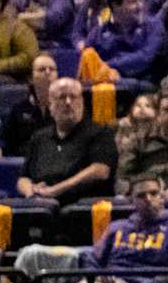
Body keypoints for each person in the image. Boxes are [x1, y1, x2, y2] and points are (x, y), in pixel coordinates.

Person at [21, 77, 119, 205]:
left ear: (82, 102)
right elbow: (24, 177)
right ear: (50, 104)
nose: (68, 102)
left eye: (73, 97)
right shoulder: (39, 137)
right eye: (62, 97)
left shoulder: (100, 133)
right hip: (42, 206)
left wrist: (55, 191)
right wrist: (32, 194)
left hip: (82, 209)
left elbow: (100, 171)